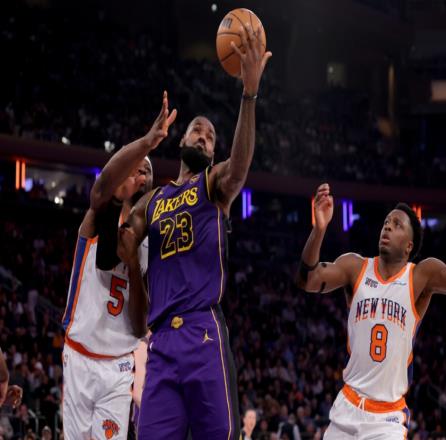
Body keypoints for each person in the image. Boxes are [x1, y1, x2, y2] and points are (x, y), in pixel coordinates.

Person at [117, 23, 271, 440]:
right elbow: (124, 239)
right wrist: (124, 203)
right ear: (181, 139)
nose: (203, 138)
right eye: (197, 131)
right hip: (161, 342)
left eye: (210, 137)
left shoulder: (214, 184)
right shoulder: (154, 199)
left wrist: (249, 94)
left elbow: (240, 165)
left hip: (203, 334)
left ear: (214, 152)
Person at [295, 167, 446, 439]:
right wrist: (319, 229)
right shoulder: (355, 267)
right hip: (346, 408)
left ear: (409, 246)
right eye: (387, 222)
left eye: (397, 225)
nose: (387, 226)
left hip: (386, 420)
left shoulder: (420, 276)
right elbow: (308, 280)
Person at [61, 94, 177, 439]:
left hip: (119, 364)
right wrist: (147, 142)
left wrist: (135, 270)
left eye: (147, 172)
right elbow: (100, 190)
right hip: (80, 355)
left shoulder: (153, 248)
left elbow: (140, 326)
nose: (141, 174)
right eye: (136, 168)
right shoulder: (97, 216)